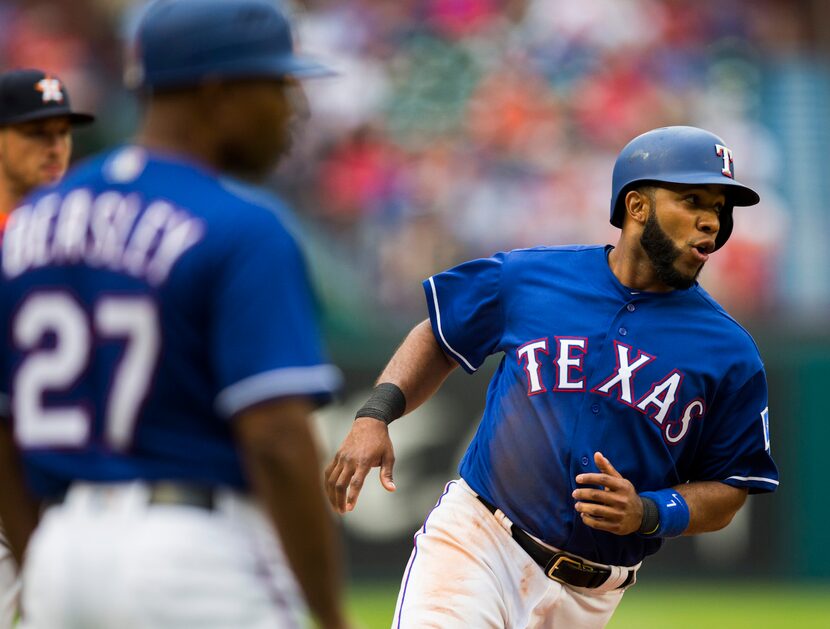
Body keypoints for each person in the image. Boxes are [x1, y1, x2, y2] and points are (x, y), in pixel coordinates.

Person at [326, 125, 779, 628]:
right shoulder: (529, 278)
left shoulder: (729, 351)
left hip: (590, 597)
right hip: (481, 543)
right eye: (692, 199)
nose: (710, 222)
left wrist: (649, 512)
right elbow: (439, 334)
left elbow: (731, 487)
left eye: (719, 208)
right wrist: (376, 413)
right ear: (637, 207)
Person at [0, 1, 350, 628]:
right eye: (276, 84)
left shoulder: (31, 226)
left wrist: (42, 562)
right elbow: (274, 436)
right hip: (194, 551)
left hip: (62, 546)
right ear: (218, 93)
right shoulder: (243, 225)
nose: (292, 107)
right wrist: (329, 614)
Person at [0, 67, 94, 629]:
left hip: (61, 483)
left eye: (62, 131)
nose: (55, 145)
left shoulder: (74, 236)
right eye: (36, 132)